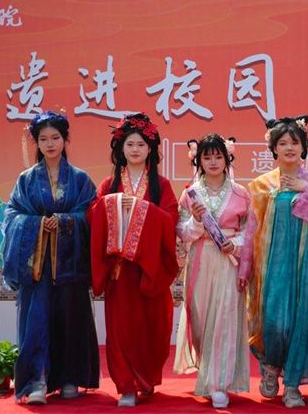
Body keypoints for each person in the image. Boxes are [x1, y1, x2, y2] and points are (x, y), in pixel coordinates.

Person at [2, 111, 99, 404]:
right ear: (37, 143)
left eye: (55, 137)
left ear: (65, 139)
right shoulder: (26, 180)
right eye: (43, 139)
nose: (50, 143)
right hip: (37, 264)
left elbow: (91, 214)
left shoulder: (80, 179)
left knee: (70, 318)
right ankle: (36, 381)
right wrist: (37, 224)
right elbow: (12, 215)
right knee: (37, 319)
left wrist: (66, 221)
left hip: (70, 263)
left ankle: (70, 378)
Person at [239, 115, 308, 408]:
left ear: (304, 147)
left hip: (307, 264)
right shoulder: (261, 185)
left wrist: (307, 190)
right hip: (272, 266)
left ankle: (292, 385)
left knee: (302, 321)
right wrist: (245, 268)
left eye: (295, 142)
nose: (289, 147)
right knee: (275, 323)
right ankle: (271, 367)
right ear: (274, 149)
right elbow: (251, 230)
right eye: (282, 143)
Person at [87, 112, 178, 407]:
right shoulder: (108, 184)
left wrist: (140, 208)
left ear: (150, 149)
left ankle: (145, 377)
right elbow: (92, 215)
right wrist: (112, 203)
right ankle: (127, 385)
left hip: (149, 270)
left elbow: (171, 218)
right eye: (130, 144)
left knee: (152, 329)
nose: (135, 149)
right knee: (121, 329)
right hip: (120, 272)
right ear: (121, 149)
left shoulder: (161, 185)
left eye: (140, 144)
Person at [174, 134, 250, 409]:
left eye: (218, 156)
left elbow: (249, 231)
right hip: (200, 259)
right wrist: (196, 222)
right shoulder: (190, 194)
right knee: (201, 319)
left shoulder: (241, 193)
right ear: (199, 161)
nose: (213, 162)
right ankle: (207, 371)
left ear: (228, 158)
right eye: (207, 157)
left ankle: (218, 383)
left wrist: (236, 244)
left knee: (224, 318)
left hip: (228, 262)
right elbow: (182, 232)